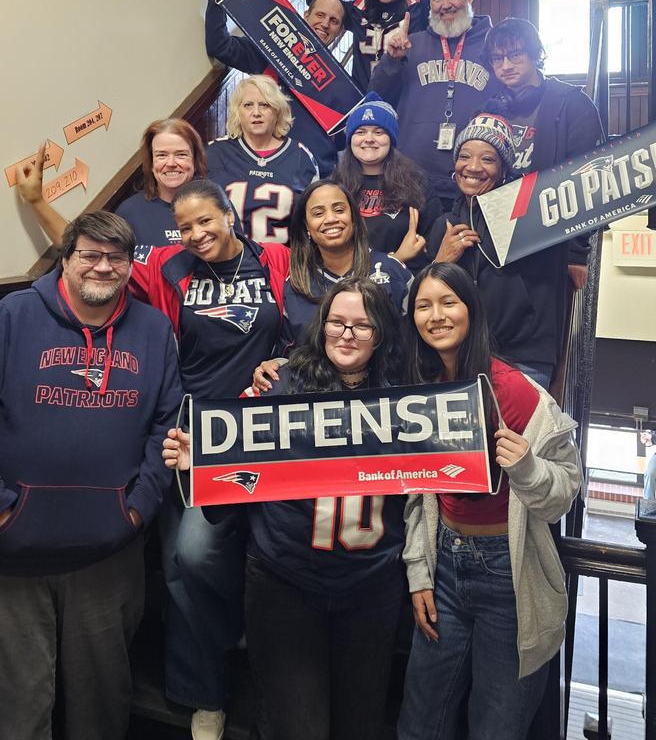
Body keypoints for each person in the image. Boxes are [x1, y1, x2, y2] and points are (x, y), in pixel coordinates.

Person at [16, 156, 289, 740]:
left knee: (275, 555)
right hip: (197, 436)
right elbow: (95, 262)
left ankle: (268, 676)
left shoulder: (276, 258)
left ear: (230, 215)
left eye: (205, 221)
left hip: (267, 432)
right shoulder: (166, 267)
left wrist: (285, 362)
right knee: (188, 557)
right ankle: (202, 693)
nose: (195, 234)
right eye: (184, 226)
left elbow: (305, 323)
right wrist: (39, 202)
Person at [164, 278, 407, 740]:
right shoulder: (279, 385)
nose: (348, 334)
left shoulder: (405, 394)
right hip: (285, 583)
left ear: (381, 332)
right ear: (321, 327)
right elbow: (228, 489)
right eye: (337, 322)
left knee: (360, 724)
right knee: (294, 726)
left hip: (372, 588)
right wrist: (203, 464)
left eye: (362, 324)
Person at [0, 212, 183, 740]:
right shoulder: (13, 315)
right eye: (90, 255)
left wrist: (136, 510)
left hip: (109, 549)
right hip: (14, 553)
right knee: (19, 702)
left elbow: (167, 425)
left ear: (130, 265)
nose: (103, 267)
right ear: (67, 258)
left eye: (116, 258)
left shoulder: (153, 329)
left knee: (102, 703)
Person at [397, 262, 582, 740]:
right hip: (443, 565)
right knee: (420, 723)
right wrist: (420, 571)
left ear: (471, 310)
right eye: (423, 306)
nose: (435, 316)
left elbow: (563, 493)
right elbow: (419, 494)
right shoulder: (419, 388)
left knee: (497, 727)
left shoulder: (517, 392)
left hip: (509, 576)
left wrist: (527, 468)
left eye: (448, 303)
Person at [429, 112, 571, 388]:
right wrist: (440, 261)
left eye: (487, 159)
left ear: (504, 168)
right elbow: (427, 299)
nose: (472, 167)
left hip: (523, 357)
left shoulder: (533, 212)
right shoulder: (443, 226)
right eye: (464, 156)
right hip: (461, 357)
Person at [482, 17, 604, 288]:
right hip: (498, 242)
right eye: (497, 58)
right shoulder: (488, 108)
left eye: (515, 55)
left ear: (536, 54)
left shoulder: (573, 106)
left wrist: (577, 253)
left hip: (552, 244)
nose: (506, 65)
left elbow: (588, 182)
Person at [369, 0, 496, 211]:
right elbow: (376, 97)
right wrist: (392, 60)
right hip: (411, 180)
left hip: (475, 180)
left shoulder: (494, 46)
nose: (445, 5)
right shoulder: (409, 44)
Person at [206, 0, 346, 176]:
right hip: (268, 169)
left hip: (316, 177)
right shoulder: (271, 51)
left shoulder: (341, 81)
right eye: (320, 15)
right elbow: (220, 46)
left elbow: (342, 138)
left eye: (334, 21)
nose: (325, 24)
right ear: (306, 15)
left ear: (339, 31)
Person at [301, 0, 476, 91]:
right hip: (363, 102)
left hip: (405, 102)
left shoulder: (417, 8)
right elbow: (316, 2)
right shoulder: (357, 9)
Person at [281, 178, 413, 350]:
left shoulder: (392, 270)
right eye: (318, 213)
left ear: (353, 216)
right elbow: (286, 354)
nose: (330, 219)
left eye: (339, 210)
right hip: (314, 376)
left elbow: (414, 344)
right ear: (306, 225)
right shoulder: (296, 285)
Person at [334, 91, 442, 271]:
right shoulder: (335, 184)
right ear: (350, 139)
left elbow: (432, 237)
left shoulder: (416, 181)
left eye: (379, 132)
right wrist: (395, 257)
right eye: (360, 132)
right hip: (349, 282)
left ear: (391, 139)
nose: (369, 139)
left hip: (405, 281)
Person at [206, 74, 318, 245]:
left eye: (264, 105)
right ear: (238, 111)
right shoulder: (214, 153)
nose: (256, 113)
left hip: (283, 263)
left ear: (277, 111)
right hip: (227, 264)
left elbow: (313, 216)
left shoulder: (301, 156)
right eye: (248, 105)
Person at [116, 118, 208, 252]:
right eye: (161, 155)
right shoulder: (129, 212)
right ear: (151, 163)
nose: (171, 163)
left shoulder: (216, 205)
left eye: (181, 154)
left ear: (194, 160)